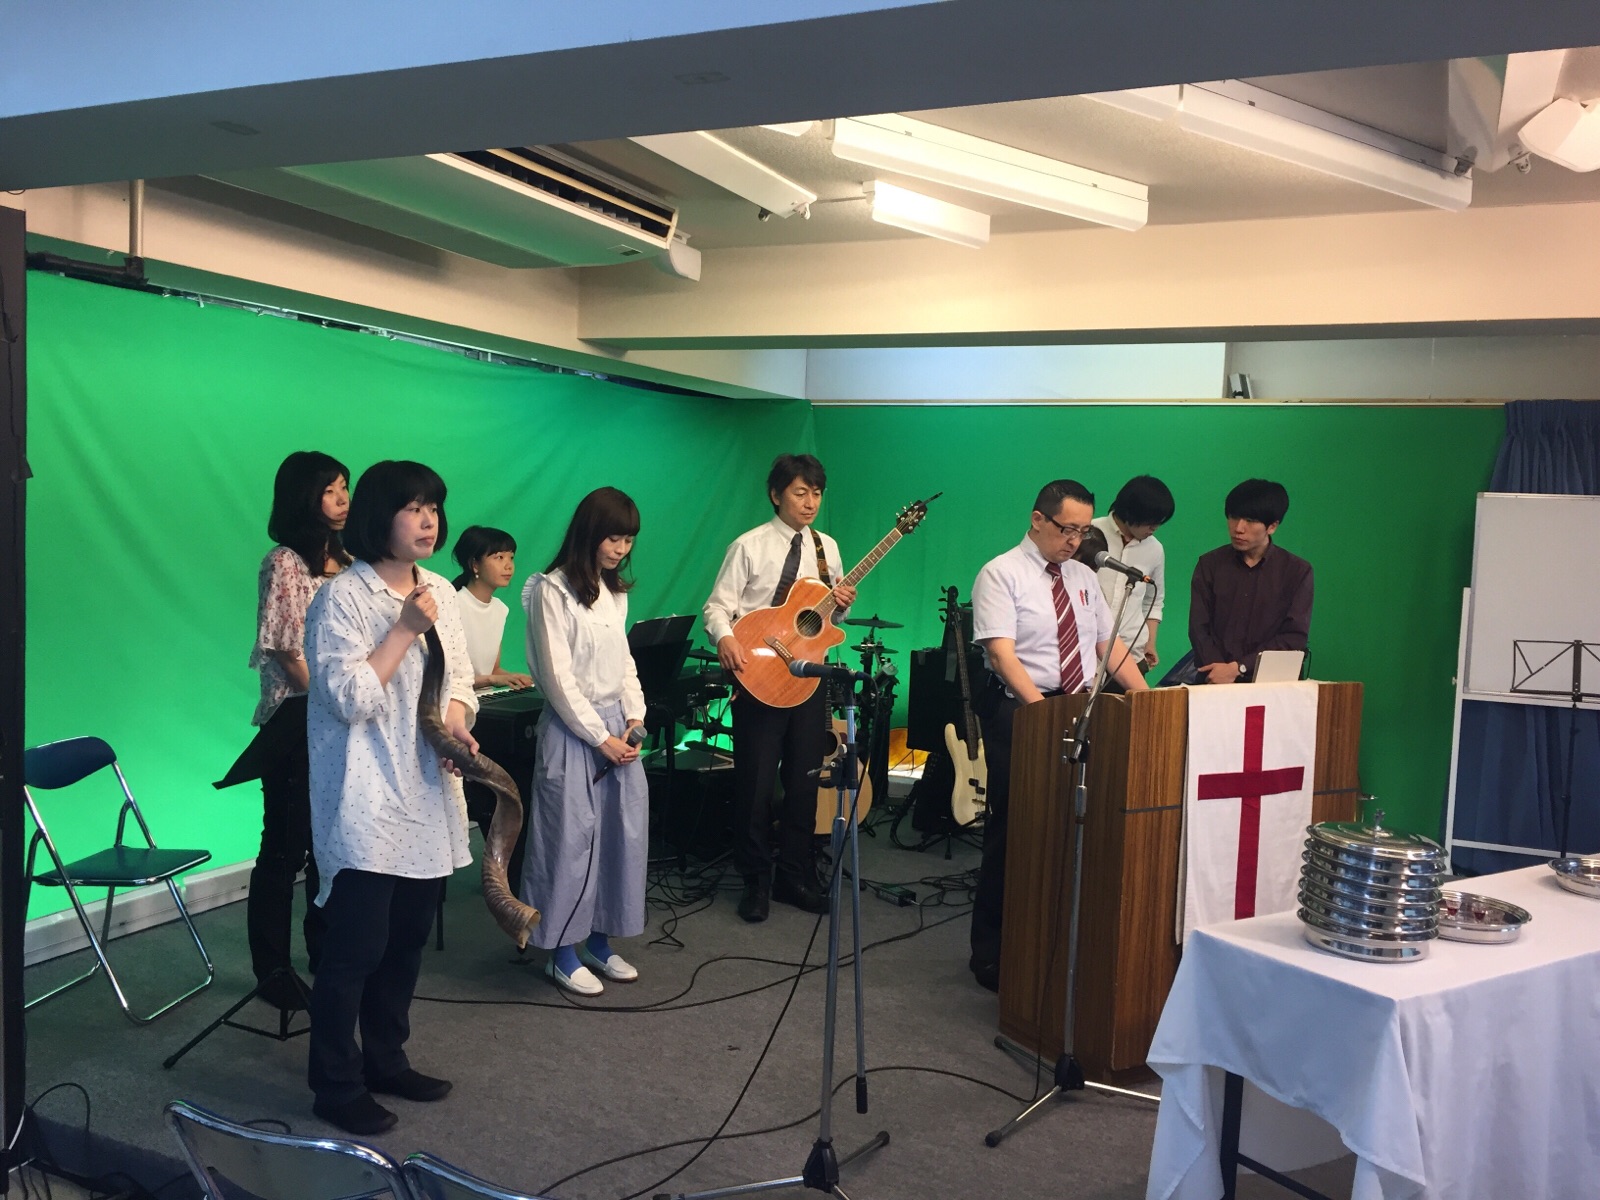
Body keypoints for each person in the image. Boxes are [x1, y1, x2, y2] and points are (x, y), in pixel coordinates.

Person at [303, 460, 477, 1136]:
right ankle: (334, 1082)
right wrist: (402, 629)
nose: (428, 520)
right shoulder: (341, 598)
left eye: (434, 506)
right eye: (413, 508)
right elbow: (348, 697)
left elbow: (460, 681)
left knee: (406, 941)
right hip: (366, 793)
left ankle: (385, 1059)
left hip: (426, 789)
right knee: (356, 948)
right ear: (382, 516)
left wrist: (457, 726)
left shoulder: (441, 590)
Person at [968, 479, 1149, 992]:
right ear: (1038, 520)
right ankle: (992, 952)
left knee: (1075, 831)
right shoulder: (1001, 573)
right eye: (1067, 529)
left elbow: (1107, 646)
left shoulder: (1084, 577)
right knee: (1016, 832)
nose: (1075, 541)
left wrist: (1149, 700)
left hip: (1081, 710)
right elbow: (1002, 655)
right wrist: (1045, 715)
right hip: (1024, 711)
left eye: (1084, 531)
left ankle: (1055, 945)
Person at [703, 453, 857, 923]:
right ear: (776, 495)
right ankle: (756, 880)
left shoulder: (827, 548)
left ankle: (795, 874)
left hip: (809, 678)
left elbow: (829, 618)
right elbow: (716, 607)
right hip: (759, 677)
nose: (810, 502)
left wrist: (842, 604)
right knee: (755, 783)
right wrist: (726, 639)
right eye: (800, 492)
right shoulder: (748, 546)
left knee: (805, 782)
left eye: (817, 493)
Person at [519, 487, 649, 996]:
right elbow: (556, 678)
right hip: (574, 729)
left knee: (620, 836)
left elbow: (624, 661)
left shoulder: (615, 592)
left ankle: (598, 940)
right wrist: (599, 737)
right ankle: (561, 951)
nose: (621, 549)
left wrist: (634, 716)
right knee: (567, 842)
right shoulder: (550, 591)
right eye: (613, 538)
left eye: (628, 540)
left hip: (616, 725)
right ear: (589, 532)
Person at [242, 450, 350, 1012]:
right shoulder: (284, 561)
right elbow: (288, 650)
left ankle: (324, 953)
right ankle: (273, 971)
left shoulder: (351, 561)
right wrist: (333, 701)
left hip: (342, 725)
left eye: (345, 487)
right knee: (284, 851)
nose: (342, 499)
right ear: (303, 497)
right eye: (330, 490)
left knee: (329, 848)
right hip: (297, 722)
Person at [1189, 478, 1313, 684]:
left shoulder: (1297, 571)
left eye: (1250, 520)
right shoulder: (1209, 564)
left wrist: (1240, 667)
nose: (1238, 528)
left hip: (1272, 684)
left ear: (1272, 526)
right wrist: (1219, 670)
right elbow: (1198, 628)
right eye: (1233, 517)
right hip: (1214, 680)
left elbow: (1294, 637)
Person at [1092, 475, 1174, 674]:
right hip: (1087, 653)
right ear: (1130, 511)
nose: (1154, 528)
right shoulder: (1090, 533)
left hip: (1131, 655)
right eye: (1150, 521)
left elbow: (1153, 601)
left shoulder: (1155, 549)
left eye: (1160, 522)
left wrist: (1150, 643)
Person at [451, 525, 533, 690]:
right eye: (499, 557)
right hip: (454, 700)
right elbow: (445, 680)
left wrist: (516, 678)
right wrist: (491, 680)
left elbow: (493, 670)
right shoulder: (453, 606)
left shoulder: (500, 609)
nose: (509, 566)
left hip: (485, 700)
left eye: (511, 557)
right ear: (475, 564)